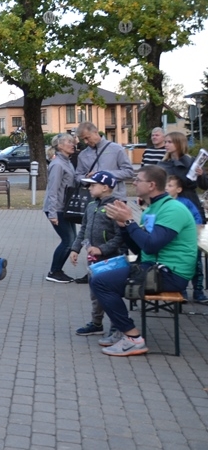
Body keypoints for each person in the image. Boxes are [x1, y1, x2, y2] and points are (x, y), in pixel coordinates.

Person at [91, 166, 198, 356]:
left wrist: (130, 222)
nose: (134, 183)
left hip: (170, 274)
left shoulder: (173, 209)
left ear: (151, 185)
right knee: (98, 273)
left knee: (101, 282)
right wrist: (124, 226)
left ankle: (132, 337)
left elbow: (151, 245)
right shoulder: (154, 207)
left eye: (138, 180)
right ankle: (120, 329)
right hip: (153, 267)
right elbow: (140, 247)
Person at [70, 172, 126, 336]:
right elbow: (84, 230)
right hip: (93, 260)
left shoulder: (115, 207)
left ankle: (117, 324)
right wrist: (75, 249)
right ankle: (96, 323)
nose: (89, 188)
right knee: (95, 293)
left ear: (105, 187)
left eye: (93, 185)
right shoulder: (91, 206)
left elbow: (121, 236)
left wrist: (103, 249)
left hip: (111, 259)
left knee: (111, 292)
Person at [165, 174, 207, 303]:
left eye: (170, 186)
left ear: (179, 189)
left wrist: (193, 231)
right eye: (165, 185)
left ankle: (198, 292)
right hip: (172, 244)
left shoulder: (186, 203)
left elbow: (196, 218)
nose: (166, 188)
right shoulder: (162, 203)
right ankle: (181, 292)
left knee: (197, 267)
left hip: (190, 241)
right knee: (177, 268)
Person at [43, 133, 78, 283]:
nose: (73, 144)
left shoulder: (67, 162)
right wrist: (52, 213)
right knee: (68, 240)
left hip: (65, 208)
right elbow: (53, 189)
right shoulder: (57, 164)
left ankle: (57, 271)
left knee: (72, 239)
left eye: (73, 142)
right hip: (56, 208)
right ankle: (54, 271)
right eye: (69, 142)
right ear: (60, 145)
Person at [75, 122, 134, 200]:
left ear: (95, 132)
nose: (85, 142)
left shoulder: (116, 149)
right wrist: (86, 177)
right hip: (92, 200)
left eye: (87, 138)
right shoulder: (82, 155)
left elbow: (129, 172)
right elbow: (77, 176)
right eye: (83, 140)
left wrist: (104, 175)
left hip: (115, 198)